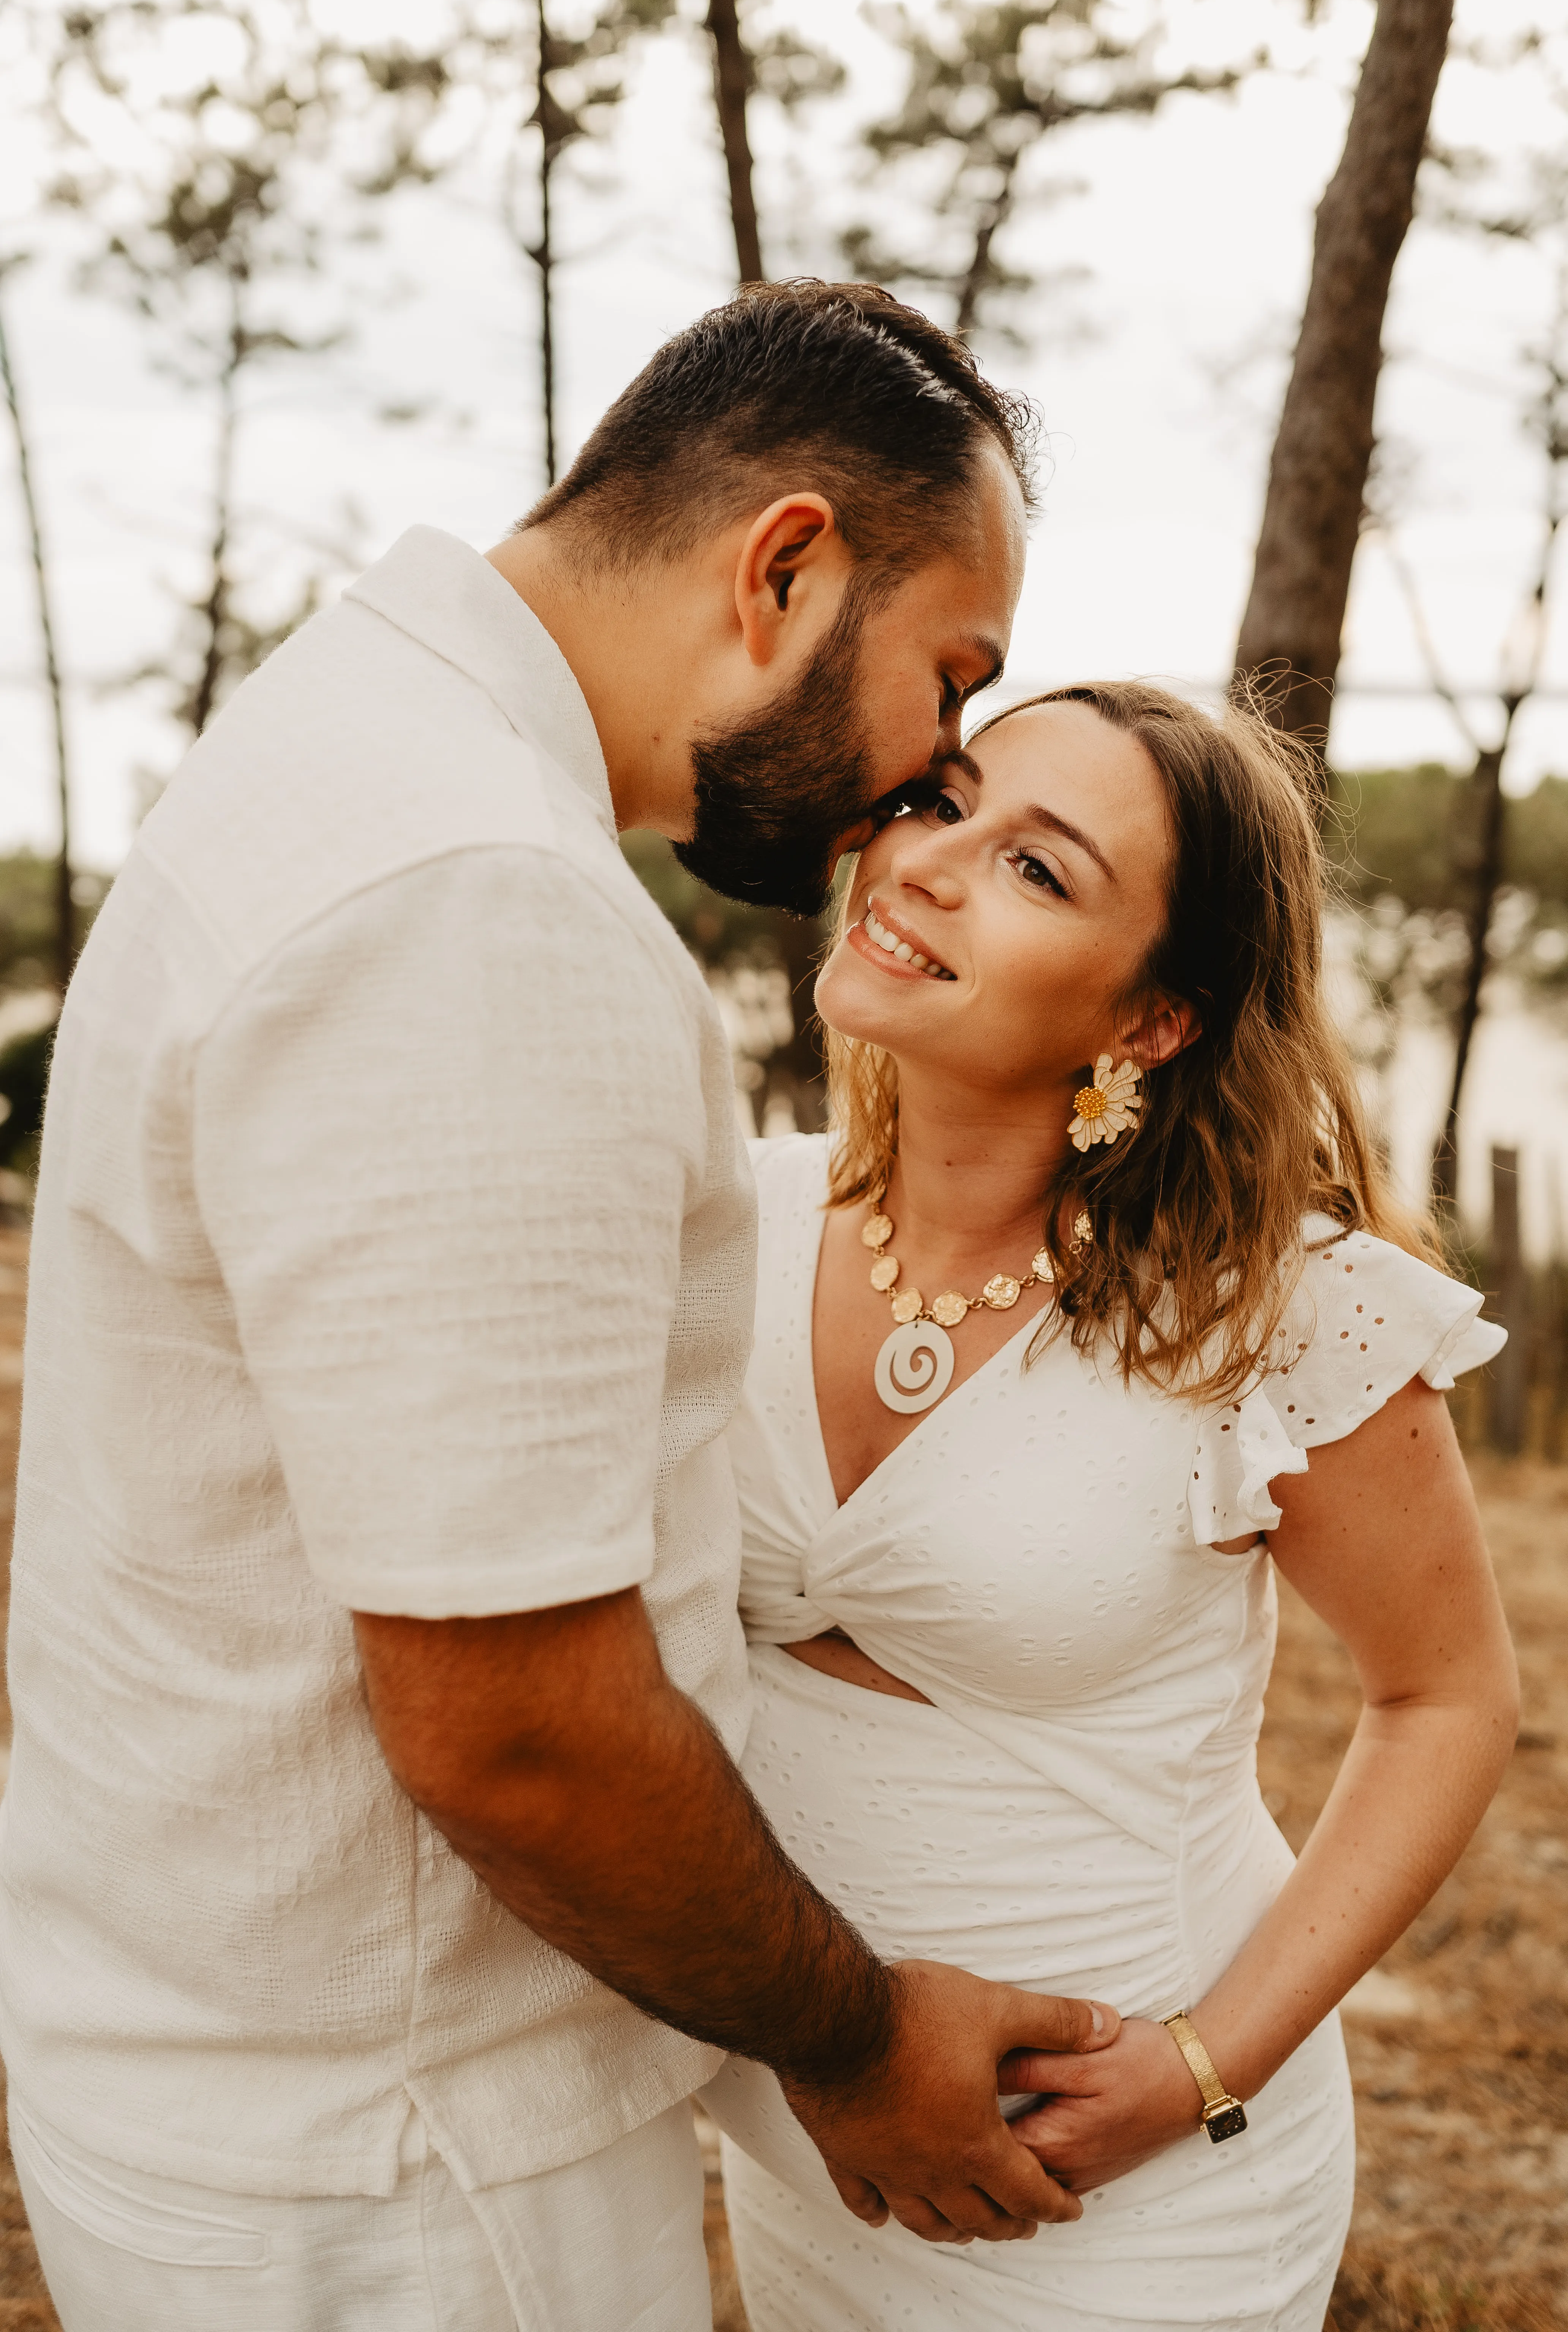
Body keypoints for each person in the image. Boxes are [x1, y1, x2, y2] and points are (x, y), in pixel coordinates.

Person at [0, 283, 1121, 2332]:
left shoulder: (346, 732)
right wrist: (859, 2037)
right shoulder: (486, 903)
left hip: (229, 2057)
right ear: (786, 567)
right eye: (949, 680)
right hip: (401, 2169)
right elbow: (513, 1725)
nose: (929, 777)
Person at [703, 680, 1521, 2329]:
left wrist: (1202, 2070)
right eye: (943, 803)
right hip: (810, 2150)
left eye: (1038, 869)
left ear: (1151, 1023)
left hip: (1138, 2187)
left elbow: (1449, 1700)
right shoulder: (718, 1219)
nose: (924, 865)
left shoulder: (1273, 1310)